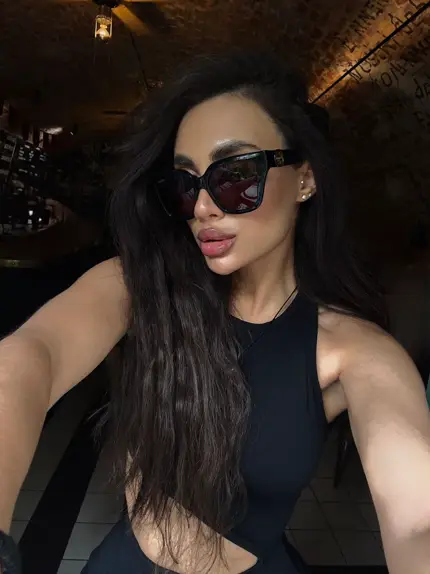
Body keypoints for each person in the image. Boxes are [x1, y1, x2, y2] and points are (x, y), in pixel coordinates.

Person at [1, 50, 430, 574]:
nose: (203, 206)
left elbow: (418, 522)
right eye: (186, 184)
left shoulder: (353, 350)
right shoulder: (141, 286)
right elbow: (32, 357)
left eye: (236, 175)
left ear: (305, 179)